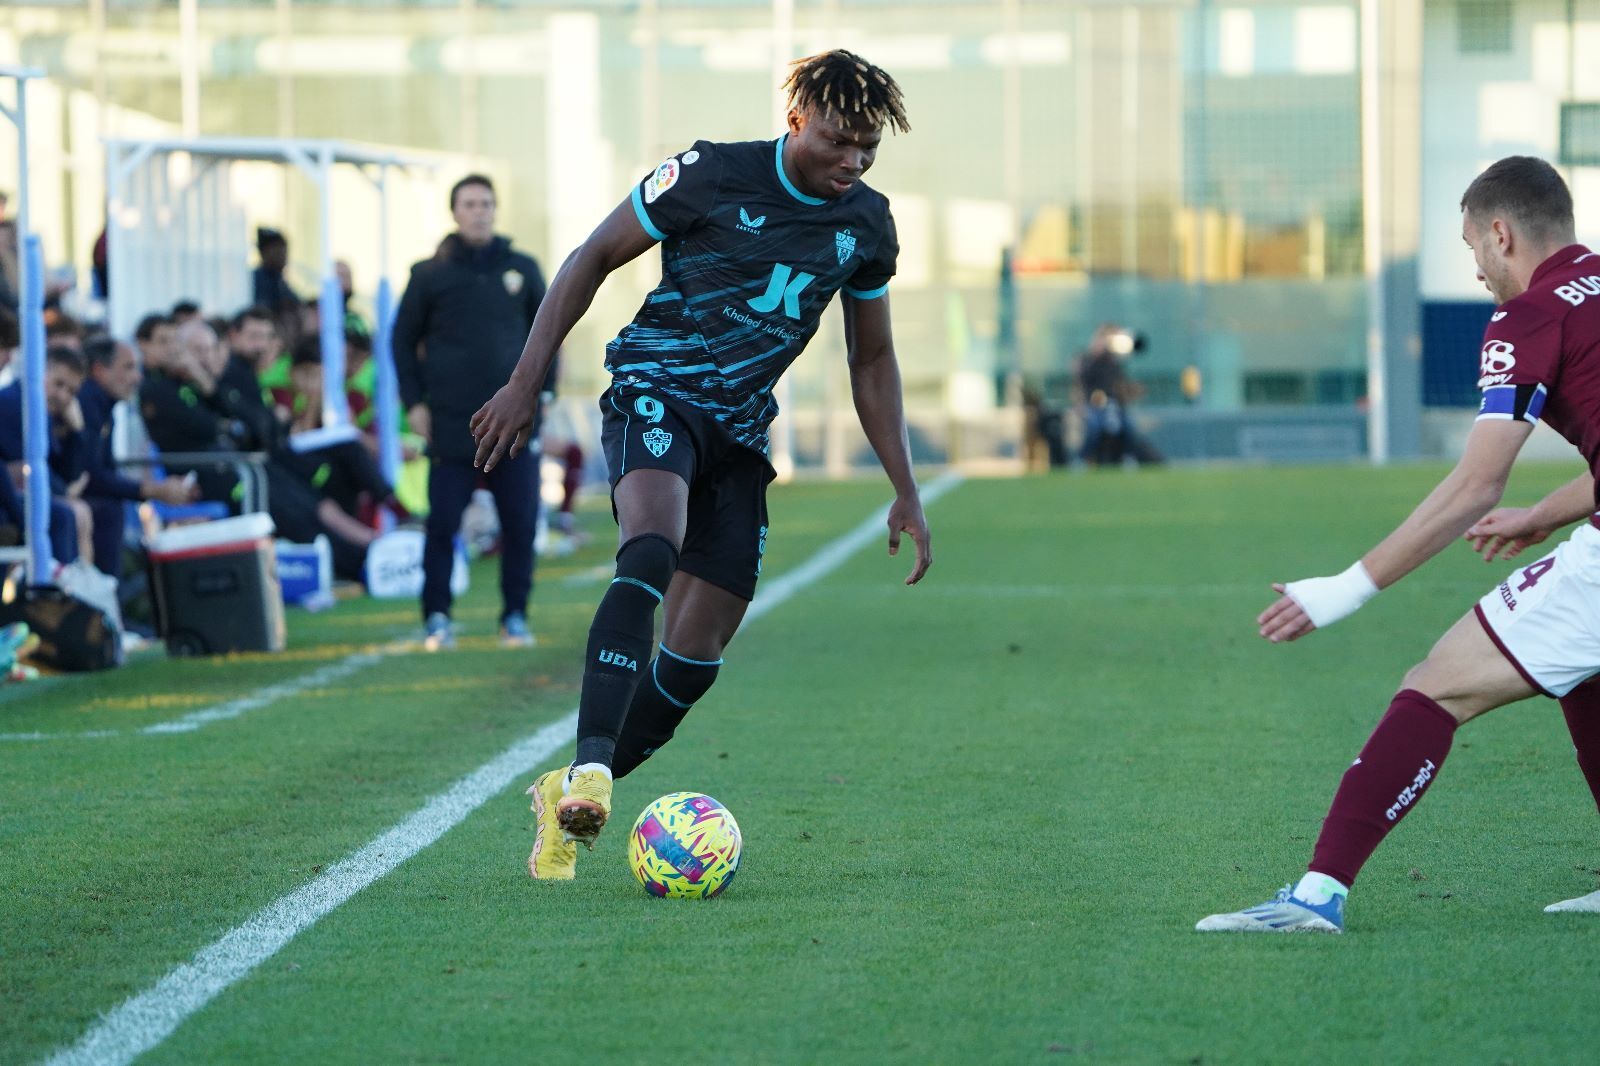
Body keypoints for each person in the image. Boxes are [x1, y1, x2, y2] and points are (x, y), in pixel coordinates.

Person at [471, 48, 933, 881]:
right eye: (837, 140)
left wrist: (905, 487)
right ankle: (592, 766)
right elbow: (592, 256)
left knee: (692, 659)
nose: (854, 160)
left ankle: (571, 793)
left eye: (868, 146)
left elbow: (872, 359)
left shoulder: (868, 224)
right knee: (651, 547)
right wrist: (524, 382)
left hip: (741, 434)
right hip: (659, 390)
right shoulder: (710, 173)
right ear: (795, 120)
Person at [1198, 156, 1600, 934]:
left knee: (1436, 686)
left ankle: (1317, 897)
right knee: (1586, 673)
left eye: (1472, 247)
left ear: (1500, 233)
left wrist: (1347, 587)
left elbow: (1476, 485)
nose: (1477, 270)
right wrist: (1547, 513)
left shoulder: (1529, 317)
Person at [393, 173, 552, 650]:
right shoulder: (429, 274)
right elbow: (401, 341)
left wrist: (543, 395)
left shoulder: (522, 268)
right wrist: (413, 403)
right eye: (469, 204)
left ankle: (515, 616)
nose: (479, 211)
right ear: (455, 212)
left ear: (495, 210)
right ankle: (437, 616)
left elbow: (549, 332)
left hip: (514, 425)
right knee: (443, 524)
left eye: (486, 203)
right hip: (452, 422)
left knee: (520, 524)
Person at [76, 335, 197, 576]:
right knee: (107, 509)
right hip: (69, 499)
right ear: (99, 370)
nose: (137, 377)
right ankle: (102, 592)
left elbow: (104, 471)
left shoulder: (104, 406)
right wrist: (152, 490)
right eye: (129, 367)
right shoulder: (87, 404)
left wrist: (152, 489)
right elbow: (90, 476)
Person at [1075, 322, 1162, 467]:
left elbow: (1119, 385)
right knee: (1094, 428)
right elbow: (1081, 381)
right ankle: (1082, 459)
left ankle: (1128, 457)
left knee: (1128, 426)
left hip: (1114, 405)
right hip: (1094, 405)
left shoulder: (1114, 362)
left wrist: (1133, 390)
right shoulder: (1087, 359)